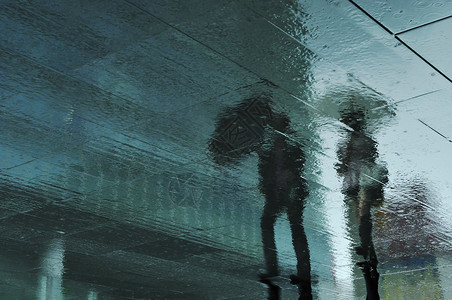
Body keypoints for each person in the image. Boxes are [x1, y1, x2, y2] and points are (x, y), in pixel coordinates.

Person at [336, 107, 387, 300]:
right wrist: (346, 153)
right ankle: (368, 251)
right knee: (359, 215)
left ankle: (366, 246)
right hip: (351, 179)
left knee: (364, 211)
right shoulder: (343, 144)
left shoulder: (367, 139)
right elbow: (340, 167)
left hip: (365, 178)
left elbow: (373, 158)